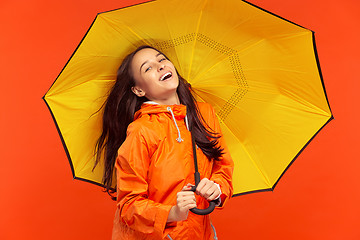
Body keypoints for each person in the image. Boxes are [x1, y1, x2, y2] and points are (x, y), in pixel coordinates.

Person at [94, 45, 234, 240]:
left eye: (161, 60)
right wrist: (173, 212)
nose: (160, 66)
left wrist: (216, 188)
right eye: (148, 68)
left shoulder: (204, 115)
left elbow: (223, 166)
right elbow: (129, 204)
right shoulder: (141, 131)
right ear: (138, 89)